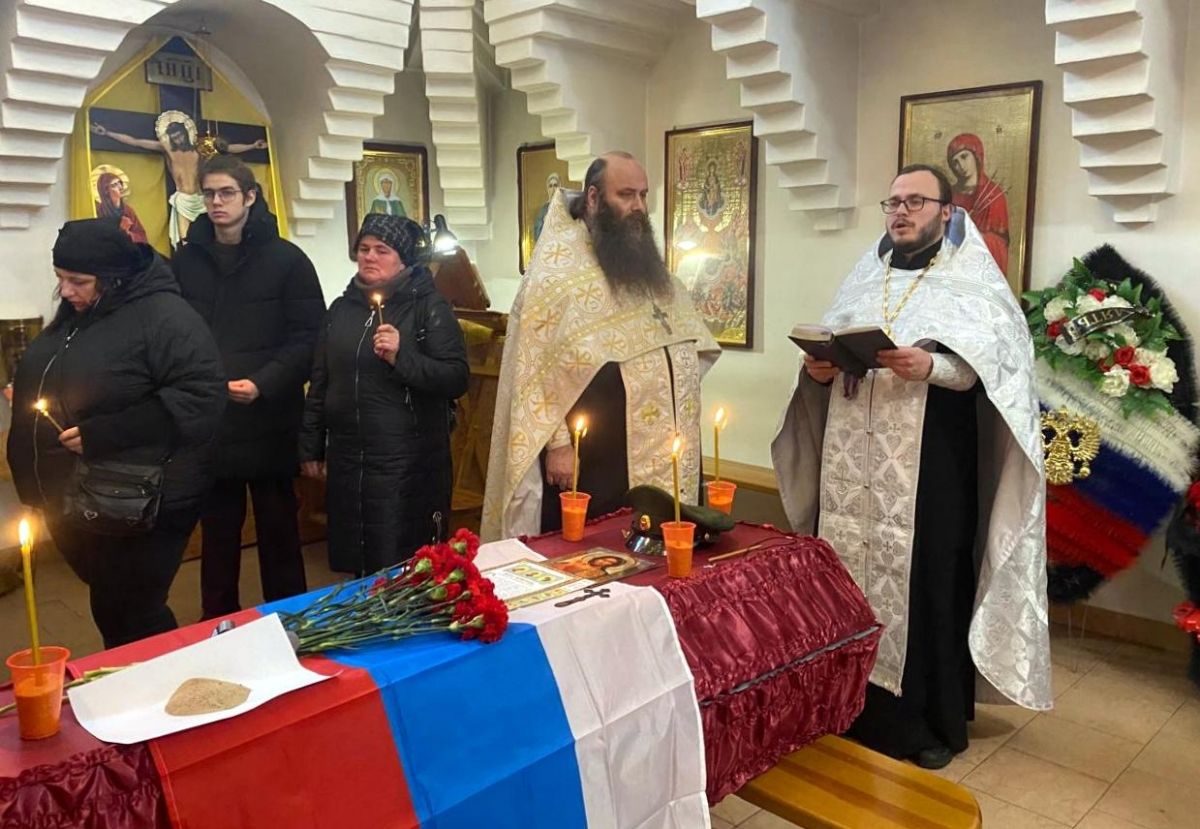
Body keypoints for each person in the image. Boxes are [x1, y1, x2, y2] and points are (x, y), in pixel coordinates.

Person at [771, 164, 1050, 769]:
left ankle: (925, 723)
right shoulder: (863, 279)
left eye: (915, 202)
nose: (900, 211)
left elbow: (996, 372)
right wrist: (819, 369)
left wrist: (934, 367)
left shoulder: (973, 283)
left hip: (932, 465)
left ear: (947, 212)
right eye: (893, 202)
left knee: (929, 581)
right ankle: (843, 705)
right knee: (844, 577)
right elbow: (833, 349)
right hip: (851, 467)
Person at [6, 219, 225, 647]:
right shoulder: (85, 311)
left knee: (136, 609)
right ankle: (131, 678)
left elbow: (202, 395)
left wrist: (105, 432)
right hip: (92, 494)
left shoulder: (165, 316)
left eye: (78, 281)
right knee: (113, 604)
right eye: (60, 278)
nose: (65, 291)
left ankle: (165, 680)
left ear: (113, 277)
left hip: (146, 497)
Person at [482, 151, 720, 540]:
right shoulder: (555, 278)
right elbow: (533, 368)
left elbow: (692, 341)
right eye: (626, 195)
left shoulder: (648, 271)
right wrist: (558, 444)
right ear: (593, 198)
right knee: (600, 555)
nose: (639, 206)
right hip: (593, 455)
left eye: (643, 195)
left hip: (662, 446)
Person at [172, 155, 325, 619]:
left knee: (279, 531)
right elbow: (173, 331)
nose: (217, 202)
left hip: (270, 417)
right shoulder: (186, 260)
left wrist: (264, 382)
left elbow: (308, 337)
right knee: (218, 533)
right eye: (209, 194)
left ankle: (291, 621)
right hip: (213, 418)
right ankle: (218, 623)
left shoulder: (287, 260)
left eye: (227, 193)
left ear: (250, 197)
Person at [299, 214, 469, 574]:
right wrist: (311, 446)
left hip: (405, 462)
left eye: (382, 250)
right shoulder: (341, 310)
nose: (369, 257)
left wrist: (401, 357)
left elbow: (455, 378)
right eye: (364, 249)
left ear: (403, 259)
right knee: (358, 561)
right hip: (348, 458)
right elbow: (321, 381)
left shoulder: (428, 308)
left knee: (399, 561)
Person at [91, 111, 267, 247]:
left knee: (208, 236)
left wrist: (253, 145)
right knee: (184, 241)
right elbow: (136, 141)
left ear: (185, 134)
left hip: (200, 199)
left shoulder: (200, 149)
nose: (178, 139)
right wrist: (107, 133)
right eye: (174, 137)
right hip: (182, 200)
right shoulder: (168, 150)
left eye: (180, 136)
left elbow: (227, 148)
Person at [947, 133, 1010, 273]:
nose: (960, 165)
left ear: (976, 155)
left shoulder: (993, 194)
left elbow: (1001, 242)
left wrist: (975, 236)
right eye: (955, 162)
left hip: (979, 268)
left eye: (964, 157)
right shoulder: (949, 195)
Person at [95, 171, 148, 244]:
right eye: (114, 185)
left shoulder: (128, 210)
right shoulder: (99, 211)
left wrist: (128, 234)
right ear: (106, 191)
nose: (120, 187)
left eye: (120, 183)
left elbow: (142, 237)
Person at [532, 171, 561, 242]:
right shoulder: (543, 209)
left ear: (559, 187)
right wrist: (545, 223)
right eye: (550, 186)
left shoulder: (565, 206)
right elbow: (537, 234)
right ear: (547, 189)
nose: (553, 189)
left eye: (555, 185)